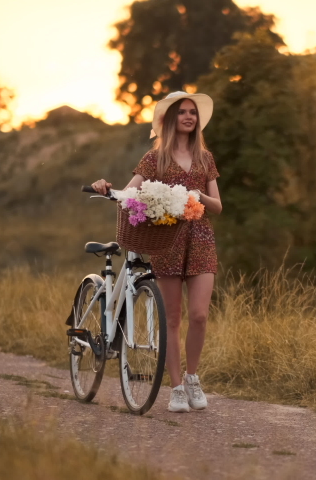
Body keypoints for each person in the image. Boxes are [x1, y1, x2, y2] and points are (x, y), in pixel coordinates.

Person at [92, 91, 222, 413]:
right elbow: (128, 193)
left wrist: (198, 195)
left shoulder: (205, 158)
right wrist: (105, 187)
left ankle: (192, 378)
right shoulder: (155, 159)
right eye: (183, 112)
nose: (189, 117)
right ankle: (176, 388)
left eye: (193, 112)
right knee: (172, 318)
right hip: (167, 241)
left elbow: (218, 206)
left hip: (201, 239)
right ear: (170, 119)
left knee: (200, 315)